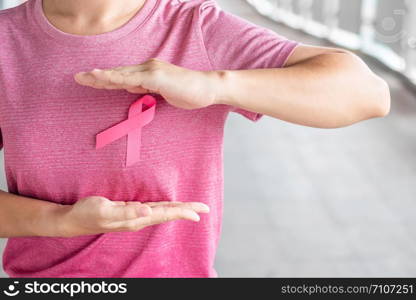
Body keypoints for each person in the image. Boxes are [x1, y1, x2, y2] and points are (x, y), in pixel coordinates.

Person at [0, 0, 390, 278]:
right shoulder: (6, 40)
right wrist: (61, 221)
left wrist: (213, 84)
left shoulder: (196, 28)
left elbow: (368, 94)